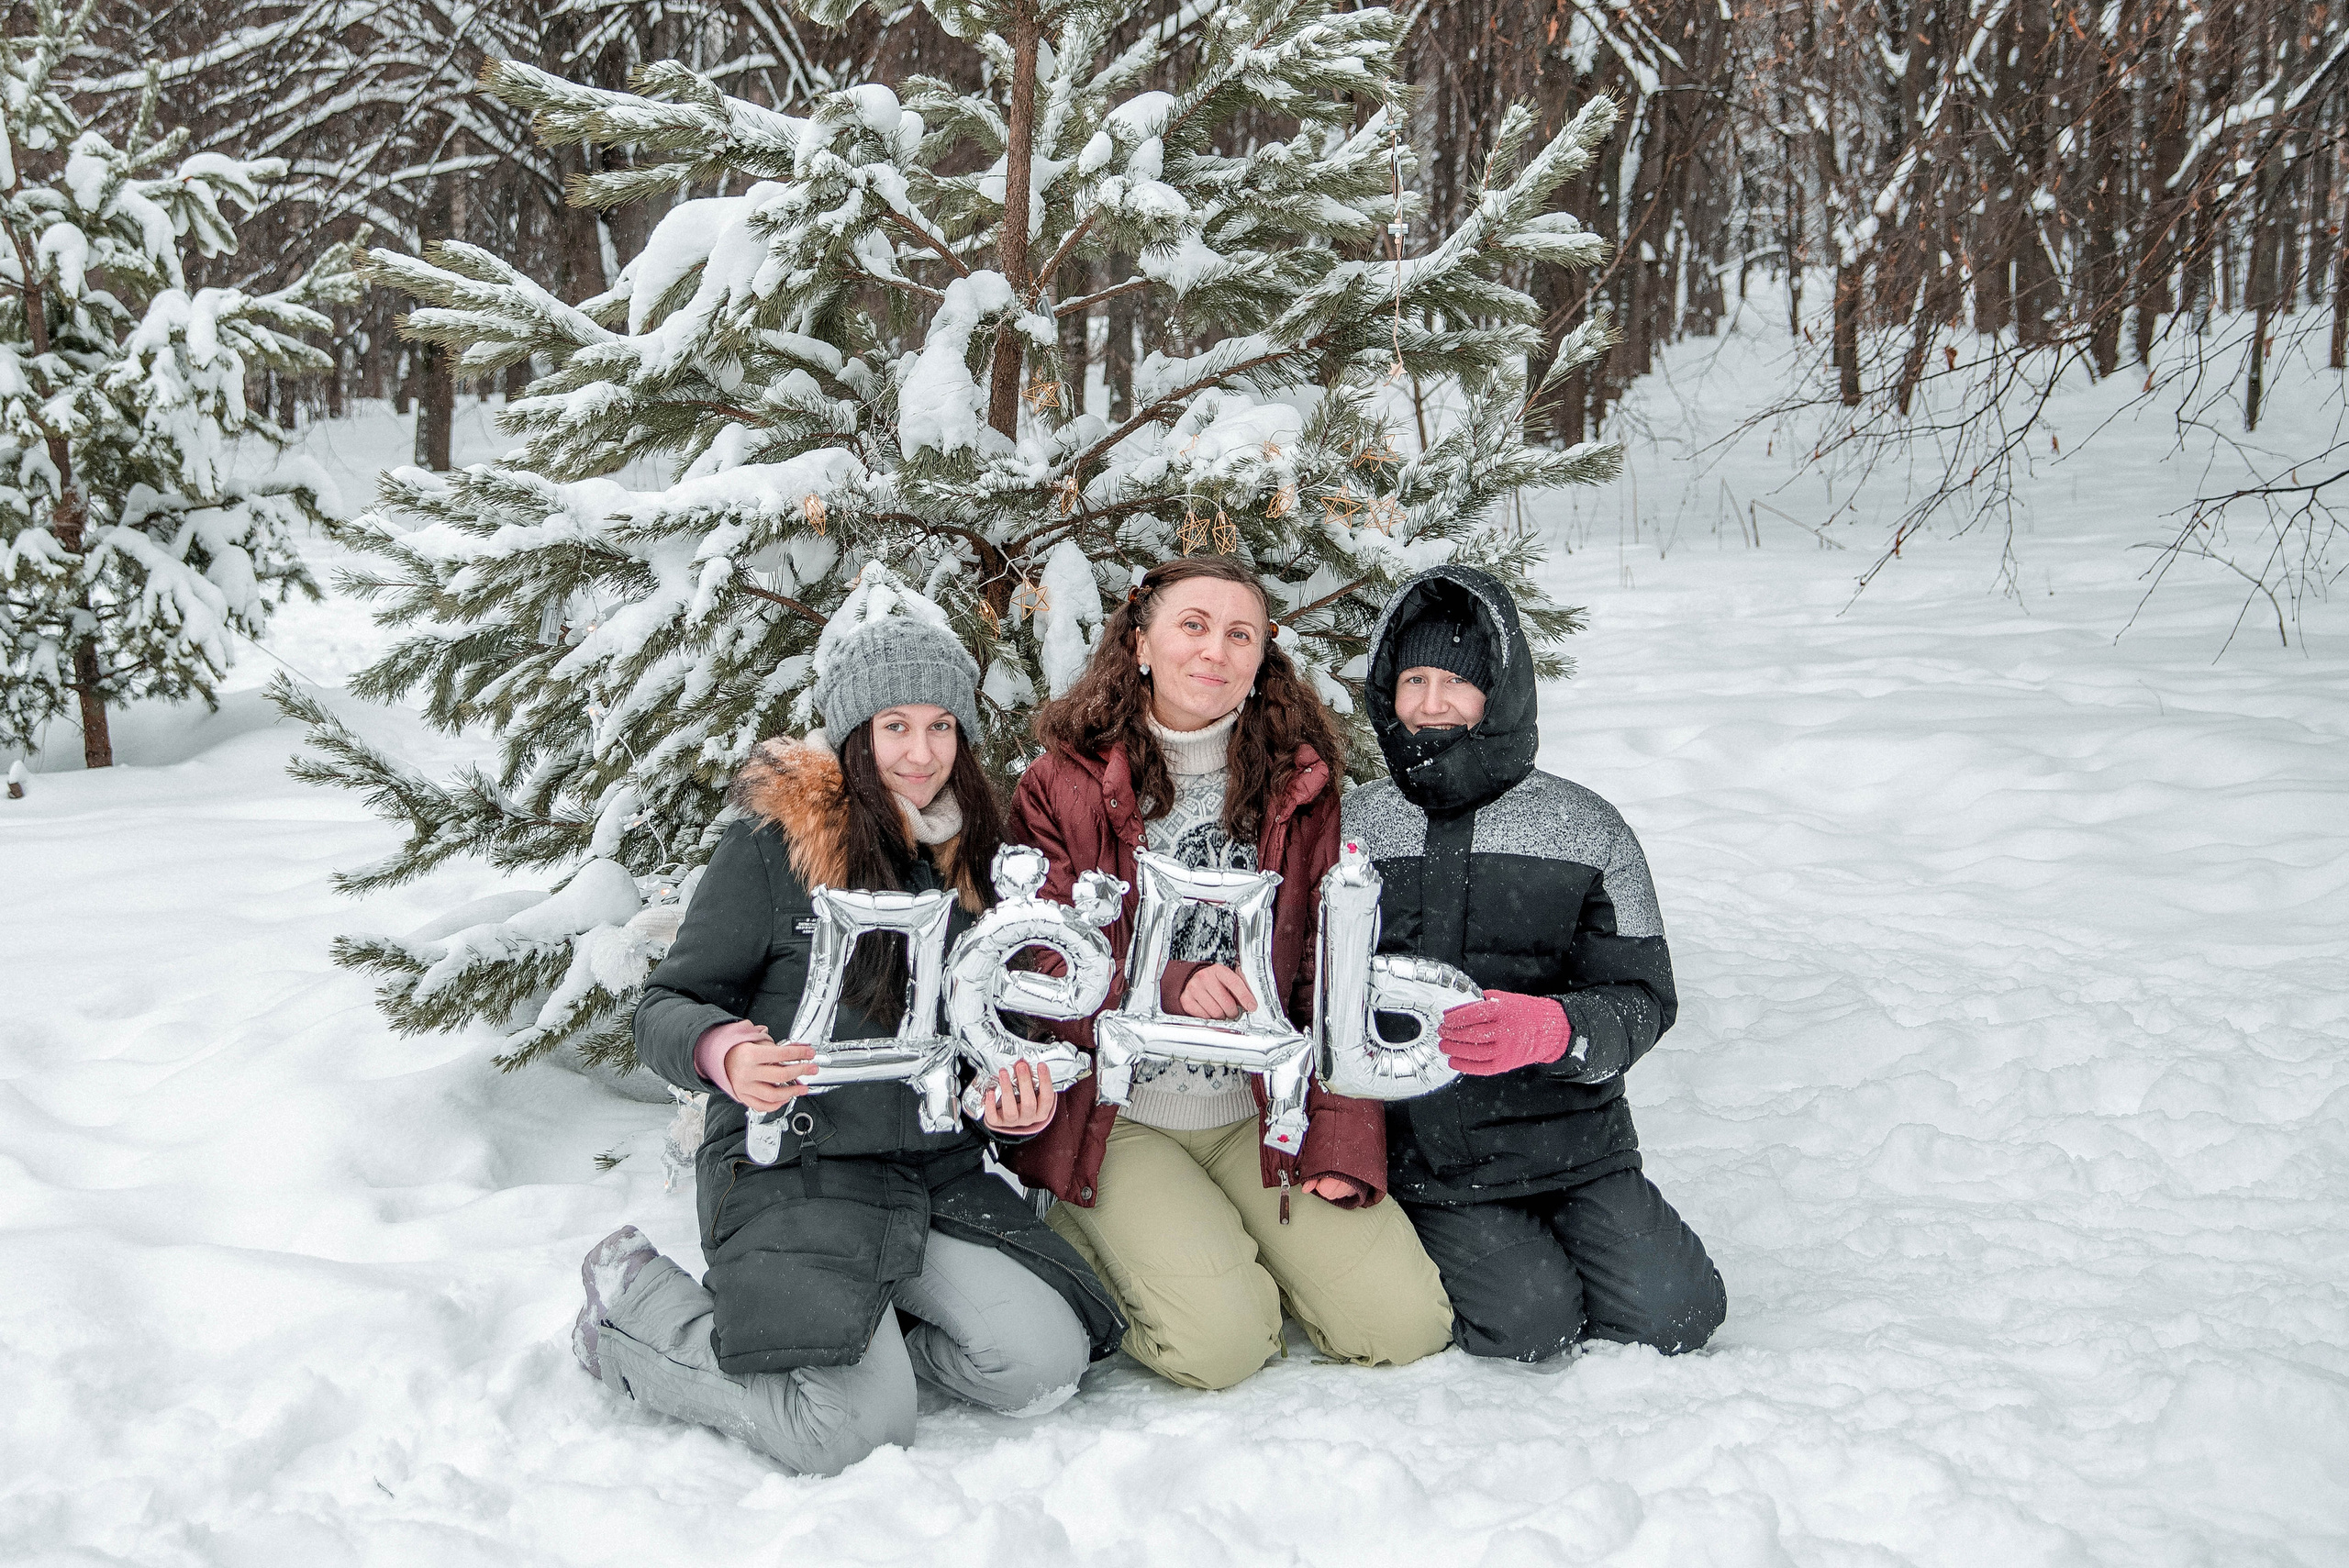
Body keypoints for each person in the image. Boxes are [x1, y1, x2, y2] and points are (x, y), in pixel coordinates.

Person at [573, 615, 1124, 1474]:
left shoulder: (979, 858)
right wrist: (724, 1052)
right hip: (795, 1168)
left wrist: (1006, 1101)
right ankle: (632, 1307)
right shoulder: (773, 848)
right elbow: (666, 1005)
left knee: (1042, 1367)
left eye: (941, 726)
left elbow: (988, 1029)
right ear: (856, 733)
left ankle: (873, 1334)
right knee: (844, 1431)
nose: (921, 752)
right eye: (895, 725)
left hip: (931, 1174)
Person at [1005, 556, 1453, 1390]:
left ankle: (1223, 1242)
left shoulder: (1300, 782)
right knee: (1223, 1346)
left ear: (1259, 658)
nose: (1216, 650)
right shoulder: (1060, 782)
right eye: (1194, 625)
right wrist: (1167, 984)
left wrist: (1341, 1135)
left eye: (1240, 634)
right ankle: (1081, 1229)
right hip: (1119, 1114)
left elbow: (1328, 975)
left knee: (1405, 1323)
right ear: (1141, 643)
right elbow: (1040, 958)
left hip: (1260, 1108)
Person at [1344, 563, 1727, 1362]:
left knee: (1678, 1313)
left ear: (1502, 691)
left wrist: (1558, 1028)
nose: (1432, 701)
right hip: (1433, 1161)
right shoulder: (1356, 827)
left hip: (1578, 1149)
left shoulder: (1587, 826)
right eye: (1413, 679)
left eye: (1458, 680)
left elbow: (1644, 995)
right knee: (1530, 1321)